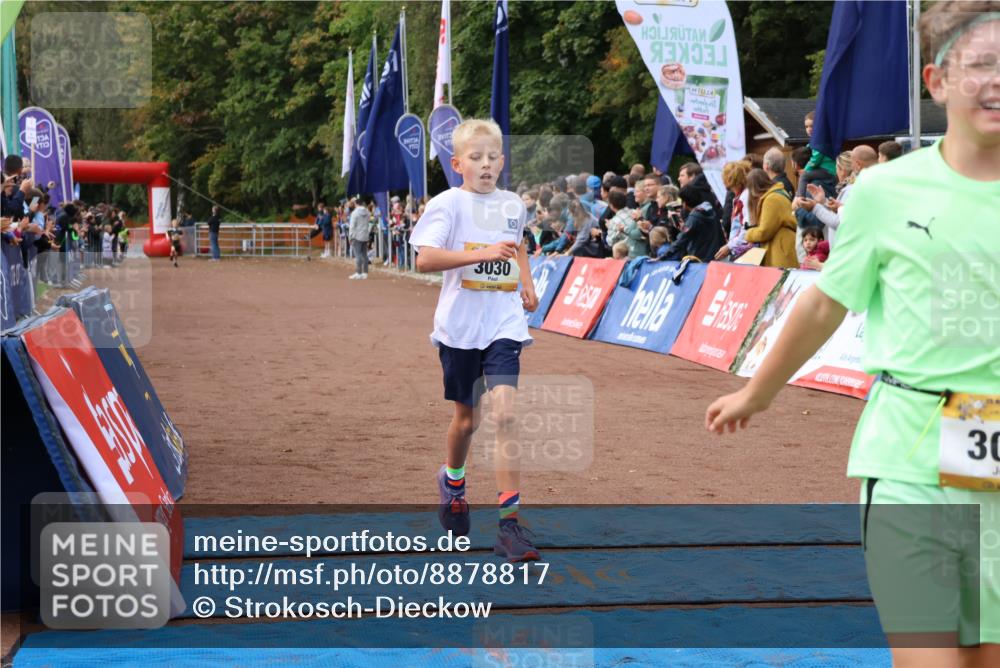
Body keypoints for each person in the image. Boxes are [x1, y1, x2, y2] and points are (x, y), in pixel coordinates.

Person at [707, 4, 999, 666]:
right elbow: (823, 306)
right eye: (979, 64)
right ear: (937, 82)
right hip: (909, 457)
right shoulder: (884, 194)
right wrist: (759, 390)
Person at [409, 118, 540, 563]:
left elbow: (517, 244)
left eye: (493, 158)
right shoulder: (447, 205)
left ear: (502, 161)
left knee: (505, 416)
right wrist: (480, 254)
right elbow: (425, 259)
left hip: (504, 325)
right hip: (460, 330)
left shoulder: (512, 203)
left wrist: (526, 282)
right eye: (476, 158)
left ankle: (509, 526)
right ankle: (454, 479)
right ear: (458, 163)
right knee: (468, 420)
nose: (486, 165)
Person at [743, 168, 798, 268]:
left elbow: (765, 232)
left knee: (780, 282)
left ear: (754, 187)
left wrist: (748, 234)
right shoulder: (778, 193)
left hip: (779, 250)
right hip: (784, 245)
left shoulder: (771, 199)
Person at [659, 184, 724, 262]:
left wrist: (662, 257)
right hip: (717, 257)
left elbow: (681, 240)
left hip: (701, 259)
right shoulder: (709, 210)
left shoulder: (694, 217)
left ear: (685, 203)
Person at [348, 198, 371, 279]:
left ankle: (358, 272)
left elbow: (352, 226)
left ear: (356, 204)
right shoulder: (368, 212)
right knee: (365, 254)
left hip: (357, 235)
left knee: (358, 255)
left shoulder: (354, 213)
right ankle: (365, 273)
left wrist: (350, 236)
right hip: (365, 235)